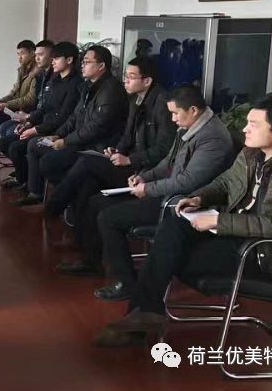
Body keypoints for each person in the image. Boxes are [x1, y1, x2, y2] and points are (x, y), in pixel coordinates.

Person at [96, 93, 272, 347]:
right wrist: (199, 198)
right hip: (235, 234)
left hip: (264, 254)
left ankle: (142, 317)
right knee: (175, 224)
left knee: (169, 257)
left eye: (253, 124)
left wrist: (217, 222)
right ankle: (144, 315)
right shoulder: (252, 153)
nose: (244, 129)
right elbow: (225, 182)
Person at [94, 85, 235, 300]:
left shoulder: (213, 138)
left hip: (183, 203)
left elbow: (188, 182)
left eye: (175, 113)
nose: (173, 119)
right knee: (100, 203)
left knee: (109, 218)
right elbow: (168, 163)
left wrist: (148, 189)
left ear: (193, 110)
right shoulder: (188, 128)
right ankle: (101, 265)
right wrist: (145, 178)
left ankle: (126, 283)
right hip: (168, 194)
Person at [46, 57, 176, 275]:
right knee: (87, 185)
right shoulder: (135, 99)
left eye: (131, 77)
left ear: (147, 81)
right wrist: (116, 151)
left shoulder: (162, 104)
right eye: (125, 75)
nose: (125, 80)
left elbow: (164, 149)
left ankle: (53, 207)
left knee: (86, 163)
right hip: (131, 164)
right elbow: (127, 137)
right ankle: (87, 254)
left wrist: (130, 160)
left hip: (147, 172)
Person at [11, 45, 128, 207]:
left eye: (87, 62)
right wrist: (58, 135)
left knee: (48, 162)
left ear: (101, 66)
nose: (82, 65)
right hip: (80, 140)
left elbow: (96, 127)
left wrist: (66, 141)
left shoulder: (110, 90)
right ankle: (42, 193)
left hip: (97, 147)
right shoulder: (87, 86)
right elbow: (74, 116)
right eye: (83, 62)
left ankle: (68, 199)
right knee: (36, 146)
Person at [0, 41, 82, 189]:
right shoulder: (55, 80)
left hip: (56, 130)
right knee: (4, 142)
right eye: (52, 58)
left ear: (69, 60)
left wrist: (36, 130)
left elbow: (63, 116)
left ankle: (33, 188)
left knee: (20, 147)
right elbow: (44, 108)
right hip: (44, 125)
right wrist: (29, 123)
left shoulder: (76, 84)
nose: (53, 61)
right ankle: (24, 178)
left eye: (56, 58)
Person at [0, 40, 54, 170]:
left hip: (23, 109)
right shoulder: (22, 70)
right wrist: (0, 102)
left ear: (31, 53)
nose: (19, 57)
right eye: (18, 54)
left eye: (22, 54)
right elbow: (14, 92)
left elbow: (30, 99)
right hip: (15, 106)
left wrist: (6, 105)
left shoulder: (37, 73)